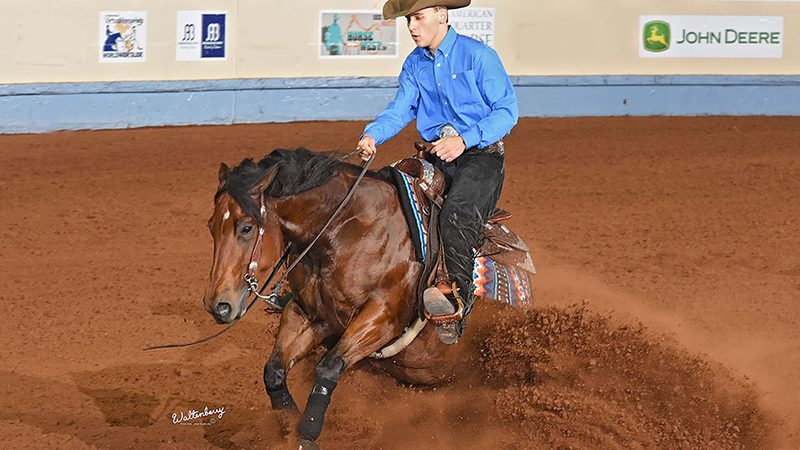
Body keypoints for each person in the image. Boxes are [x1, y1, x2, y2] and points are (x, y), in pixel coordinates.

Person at [357, 0, 518, 344]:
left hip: (481, 158)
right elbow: (401, 109)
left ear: (442, 15)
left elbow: (507, 111)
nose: (412, 27)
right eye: (409, 21)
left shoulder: (478, 56)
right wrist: (373, 134)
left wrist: (465, 139)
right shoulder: (415, 64)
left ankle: (455, 308)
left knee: (456, 215)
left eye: (418, 17)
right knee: (390, 198)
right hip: (437, 156)